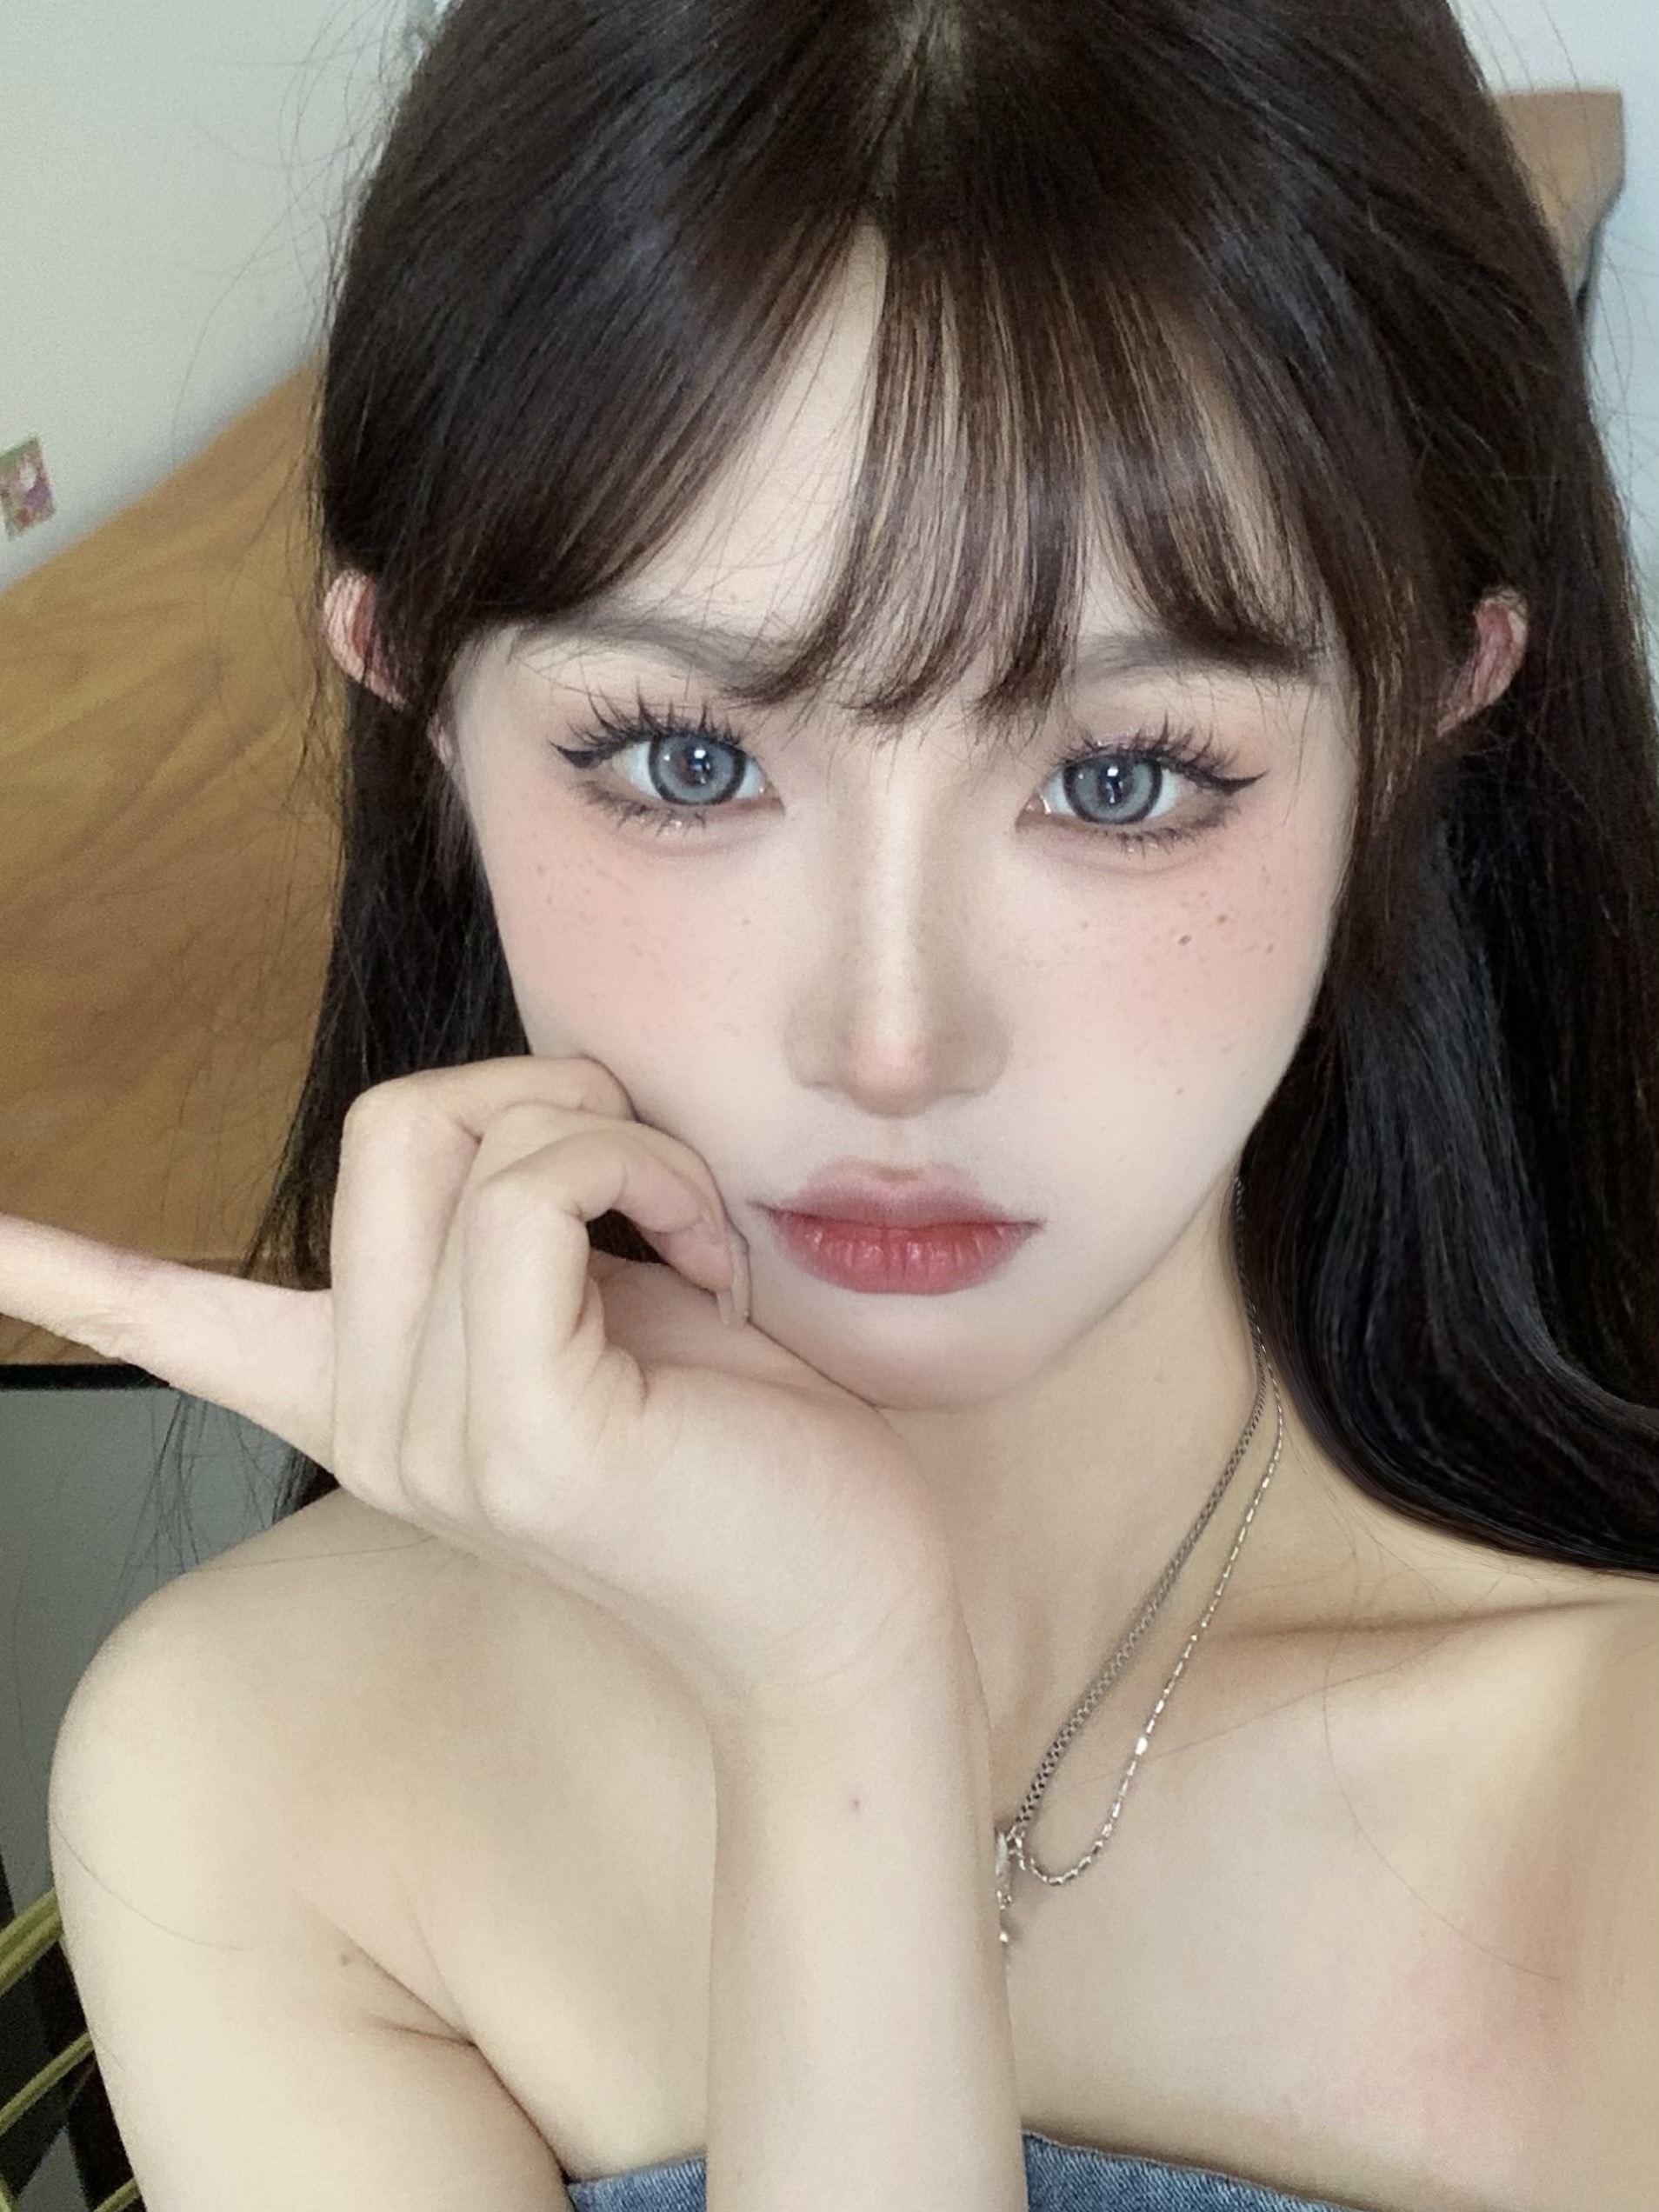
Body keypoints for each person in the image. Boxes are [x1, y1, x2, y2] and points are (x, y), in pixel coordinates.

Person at [3, 0, 1656, 2203]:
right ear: (412, 696)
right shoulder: (259, 1780)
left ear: (1441, 700)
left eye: (1123, 775)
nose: (892, 1040)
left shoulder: (1616, 1789)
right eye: (689, 758)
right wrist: (831, 1683)